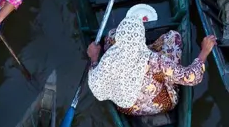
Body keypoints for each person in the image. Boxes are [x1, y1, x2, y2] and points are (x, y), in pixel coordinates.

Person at [87, 10, 215, 117]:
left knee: (110, 35)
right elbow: (191, 77)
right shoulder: (155, 62)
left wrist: (94, 58)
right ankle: (150, 48)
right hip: (160, 104)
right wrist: (204, 51)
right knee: (174, 37)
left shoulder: (108, 60)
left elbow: (95, 86)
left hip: (128, 109)